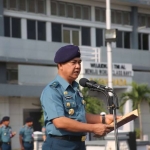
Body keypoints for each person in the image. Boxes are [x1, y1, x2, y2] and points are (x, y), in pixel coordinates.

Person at [40, 45, 119, 150]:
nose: (78, 66)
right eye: (73, 62)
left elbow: (79, 116)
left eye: (79, 62)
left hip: (79, 144)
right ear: (60, 65)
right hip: (60, 145)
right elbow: (60, 122)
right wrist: (93, 128)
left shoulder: (75, 89)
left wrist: (104, 119)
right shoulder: (52, 90)